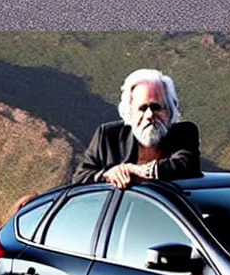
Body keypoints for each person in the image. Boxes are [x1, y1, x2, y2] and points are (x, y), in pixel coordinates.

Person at [72, 69, 201, 188]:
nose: (150, 115)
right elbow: (80, 178)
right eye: (142, 108)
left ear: (169, 110)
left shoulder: (184, 133)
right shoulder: (108, 137)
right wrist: (108, 175)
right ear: (130, 112)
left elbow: (186, 165)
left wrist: (134, 170)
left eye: (156, 107)